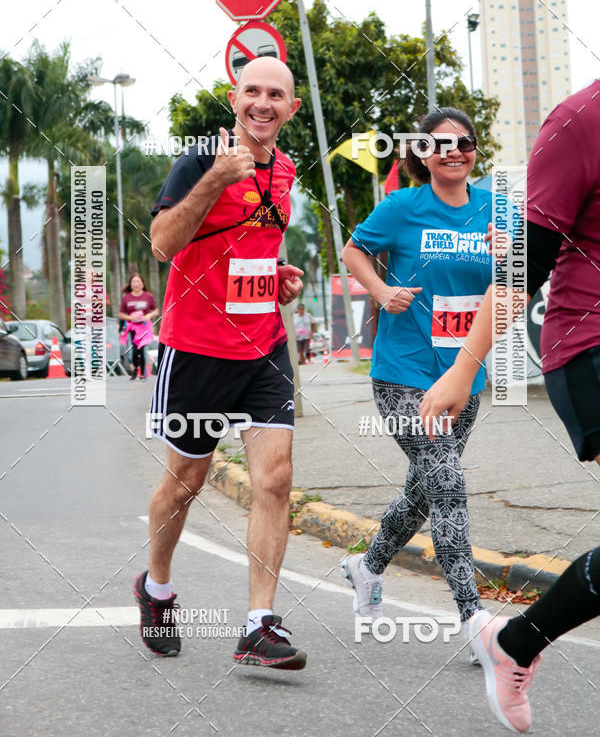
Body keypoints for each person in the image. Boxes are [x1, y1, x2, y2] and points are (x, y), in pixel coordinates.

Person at [420, 79, 600, 733]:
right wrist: (464, 370)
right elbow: (523, 266)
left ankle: (516, 640)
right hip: (589, 345)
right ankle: (515, 642)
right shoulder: (581, 121)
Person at [134, 57, 307, 670]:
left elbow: (252, 247)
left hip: (263, 347)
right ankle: (156, 589)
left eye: (276, 94)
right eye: (253, 91)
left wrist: (279, 279)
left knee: (276, 479)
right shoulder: (197, 161)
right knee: (185, 483)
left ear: (291, 107)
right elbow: (162, 243)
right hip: (197, 350)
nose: (263, 102)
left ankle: (259, 624)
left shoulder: (285, 170)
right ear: (236, 100)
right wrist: (214, 179)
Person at [339, 107, 498, 643]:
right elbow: (354, 250)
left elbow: (514, 282)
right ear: (420, 155)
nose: (454, 151)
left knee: (424, 492)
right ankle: (474, 619)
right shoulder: (403, 206)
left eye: (464, 142)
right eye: (439, 145)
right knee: (448, 483)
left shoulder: (498, 211)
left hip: (464, 375)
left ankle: (368, 567)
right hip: (404, 373)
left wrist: (511, 257)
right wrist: (381, 293)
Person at [119, 274, 158, 381]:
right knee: (135, 351)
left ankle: (143, 374)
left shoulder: (148, 296)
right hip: (133, 328)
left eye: (138, 282)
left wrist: (149, 315)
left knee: (143, 350)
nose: (136, 284)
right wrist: (129, 317)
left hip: (145, 327)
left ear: (142, 284)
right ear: (130, 284)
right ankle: (135, 370)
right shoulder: (126, 298)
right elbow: (121, 314)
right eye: (134, 282)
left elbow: (156, 311)